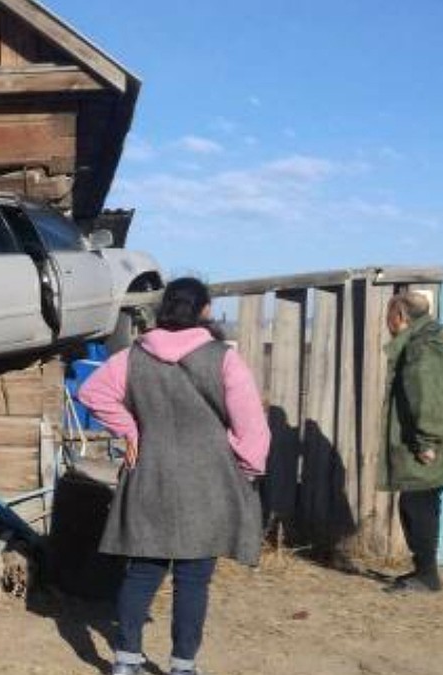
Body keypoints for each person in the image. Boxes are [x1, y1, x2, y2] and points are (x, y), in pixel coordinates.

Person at [79, 277, 270, 675]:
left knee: (143, 572)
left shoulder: (133, 356)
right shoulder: (223, 358)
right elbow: (253, 429)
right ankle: (183, 666)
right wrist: (247, 471)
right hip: (208, 479)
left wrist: (131, 430)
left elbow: (92, 392)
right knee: (193, 579)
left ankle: (126, 660)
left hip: (150, 471)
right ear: (204, 310)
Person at [380, 291, 443, 594]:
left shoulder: (421, 349)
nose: (387, 322)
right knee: (422, 502)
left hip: (427, 441)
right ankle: (425, 572)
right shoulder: (432, 340)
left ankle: (427, 576)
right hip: (433, 437)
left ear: (401, 317)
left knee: (416, 503)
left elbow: (427, 398)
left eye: (388, 315)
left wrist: (426, 442)